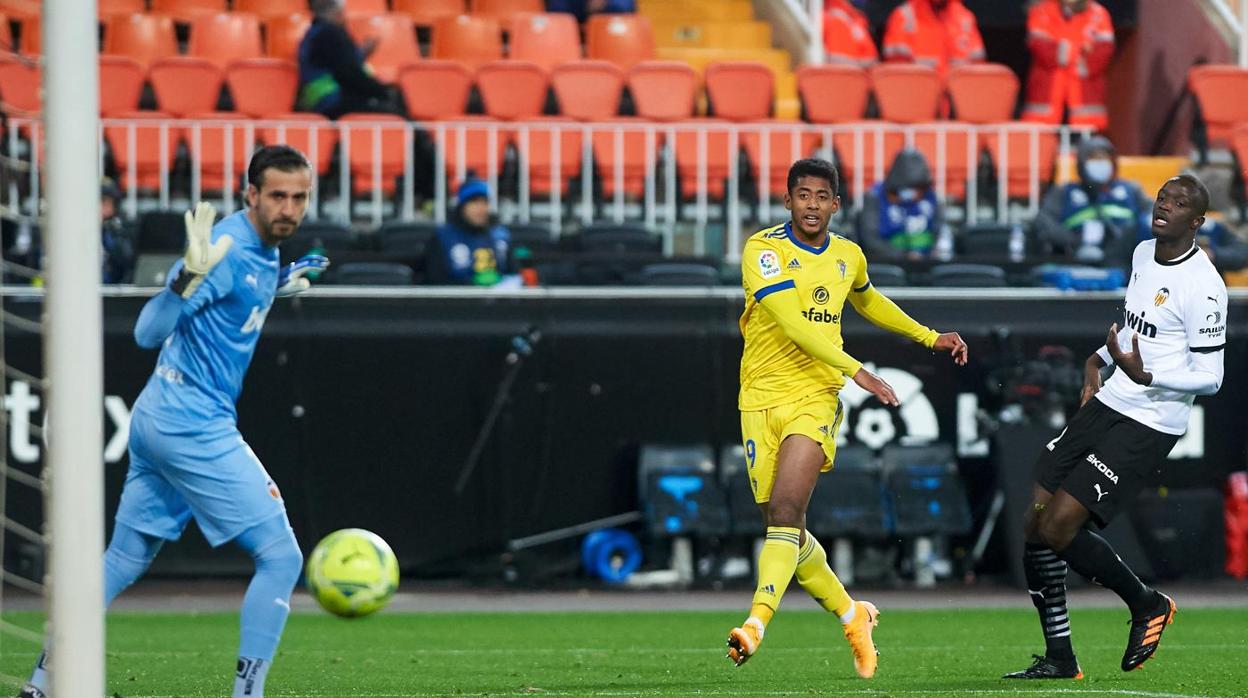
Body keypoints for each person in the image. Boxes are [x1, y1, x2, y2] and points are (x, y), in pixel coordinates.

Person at [17, 146, 330, 698]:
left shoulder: (260, 253)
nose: (289, 208)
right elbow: (147, 330)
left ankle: (41, 684)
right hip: (192, 424)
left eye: (299, 197)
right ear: (249, 195)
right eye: (277, 195)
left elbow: (234, 299)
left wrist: (277, 283)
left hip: (158, 415)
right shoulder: (227, 249)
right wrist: (186, 276)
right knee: (281, 557)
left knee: (122, 559)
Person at [727, 158, 968, 675]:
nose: (811, 205)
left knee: (787, 511)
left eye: (821, 196)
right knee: (781, 524)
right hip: (759, 398)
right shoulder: (762, 250)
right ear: (787, 200)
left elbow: (869, 300)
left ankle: (755, 623)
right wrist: (858, 368)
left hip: (816, 393)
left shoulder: (848, 256)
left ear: (836, 204)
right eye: (802, 195)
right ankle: (851, 611)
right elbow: (791, 321)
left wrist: (928, 335)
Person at [1005, 174, 1224, 680]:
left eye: (1179, 203)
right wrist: (1099, 358)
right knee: (1035, 519)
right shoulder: (1144, 252)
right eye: (1162, 198)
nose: (1165, 207)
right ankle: (1060, 656)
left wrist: (1149, 375)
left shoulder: (1205, 287)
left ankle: (1146, 603)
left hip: (1151, 418)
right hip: (1111, 398)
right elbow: (1135, 323)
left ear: (1197, 221)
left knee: (1060, 526)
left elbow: (1211, 378)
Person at [1033, 136, 1149, 270]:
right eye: (1093, 158)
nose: (1100, 163)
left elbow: (1151, 216)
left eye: (1104, 158)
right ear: (1082, 163)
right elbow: (1043, 221)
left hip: (1128, 258)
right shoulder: (1065, 192)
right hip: (1080, 260)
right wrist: (1076, 240)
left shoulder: (1131, 189)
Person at [1022, 0, 1116, 132]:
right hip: (1046, 101)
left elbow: (1103, 51)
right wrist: (1078, 50)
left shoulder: (1098, 14)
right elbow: (1040, 47)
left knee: (1086, 146)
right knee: (1042, 146)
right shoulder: (1041, 12)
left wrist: (1065, 52)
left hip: (1085, 100)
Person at [297, 0, 396, 119]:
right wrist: (383, 92)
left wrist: (361, 54)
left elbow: (339, 64)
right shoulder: (331, 34)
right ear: (338, 11)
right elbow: (349, 74)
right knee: (398, 115)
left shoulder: (314, 33)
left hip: (324, 100)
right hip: (335, 100)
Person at [857, 149, 944, 260]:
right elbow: (870, 239)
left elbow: (939, 233)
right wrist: (903, 255)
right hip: (888, 262)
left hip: (926, 263)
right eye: (912, 188)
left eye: (919, 188)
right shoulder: (875, 196)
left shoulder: (930, 197)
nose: (915, 194)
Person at [429, 179, 511, 286]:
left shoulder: (500, 236)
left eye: (485, 202)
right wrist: (470, 283)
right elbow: (433, 279)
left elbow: (513, 272)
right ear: (462, 206)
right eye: (474, 202)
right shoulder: (443, 237)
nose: (481, 208)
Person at [881, 0, 985, 76]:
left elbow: (977, 73)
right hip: (915, 100)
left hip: (958, 102)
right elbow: (895, 76)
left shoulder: (965, 18)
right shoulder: (904, 17)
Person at [100, 177, 135, 284]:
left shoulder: (116, 231)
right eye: (102, 202)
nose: (108, 209)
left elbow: (128, 265)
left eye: (111, 203)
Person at [822, 0, 878, 67]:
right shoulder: (826, 17)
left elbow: (872, 58)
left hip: (854, 73)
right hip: (837, 74)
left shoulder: (856, 19)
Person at [545, 0, 636, 23]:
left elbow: (627, 12)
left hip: (613, 41)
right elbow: (555, 17)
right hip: (572, 42)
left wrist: (605, 4)